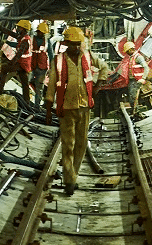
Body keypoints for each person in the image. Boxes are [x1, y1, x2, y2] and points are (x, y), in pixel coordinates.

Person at [44, 26, 94, 195]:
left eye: (78, 44)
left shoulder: (87, 57)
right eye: (72, 44)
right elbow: (51, 87)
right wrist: (49, 110)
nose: (75, 47)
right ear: (65, 43)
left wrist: (98, 87)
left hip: (84, 107)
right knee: (68, 145)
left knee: (81, 144)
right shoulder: (57, 61)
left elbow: (103, 69)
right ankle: (69, 181)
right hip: (66, 109)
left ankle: (73, 175)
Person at [0, 19, 32, 101]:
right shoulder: (22, 37)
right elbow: (10, 33)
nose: (17, 28)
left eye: (19, 27)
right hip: (24, 64)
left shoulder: (25, 40)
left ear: (23, 29)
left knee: (4, 70)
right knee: (25, 83)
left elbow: (18, 55)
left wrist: (10, 63)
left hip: (22, 64)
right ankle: (27, 101)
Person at [30, 21, 52, 106]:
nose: (41, 34)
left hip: (42, 68)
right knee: (28, 84)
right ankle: (27, 104)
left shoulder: (47, 41)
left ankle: (37, 106)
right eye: (40, 32)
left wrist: (51, 68)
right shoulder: (31, 39)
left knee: (39, 88)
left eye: (43, 33)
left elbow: (51, 55)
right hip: (31, 66)